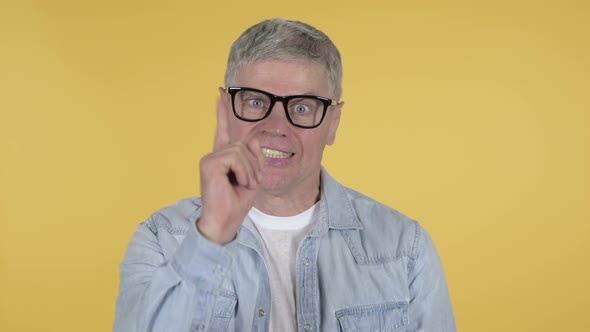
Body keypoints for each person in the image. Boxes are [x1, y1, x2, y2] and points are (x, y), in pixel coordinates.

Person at [114, 18, 456, 332]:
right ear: (225, 109)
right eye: (256, 102)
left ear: (333, 124)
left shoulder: (404, 249)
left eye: (303, 107)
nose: (276, 128)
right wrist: (213, 234)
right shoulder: (161, 239)